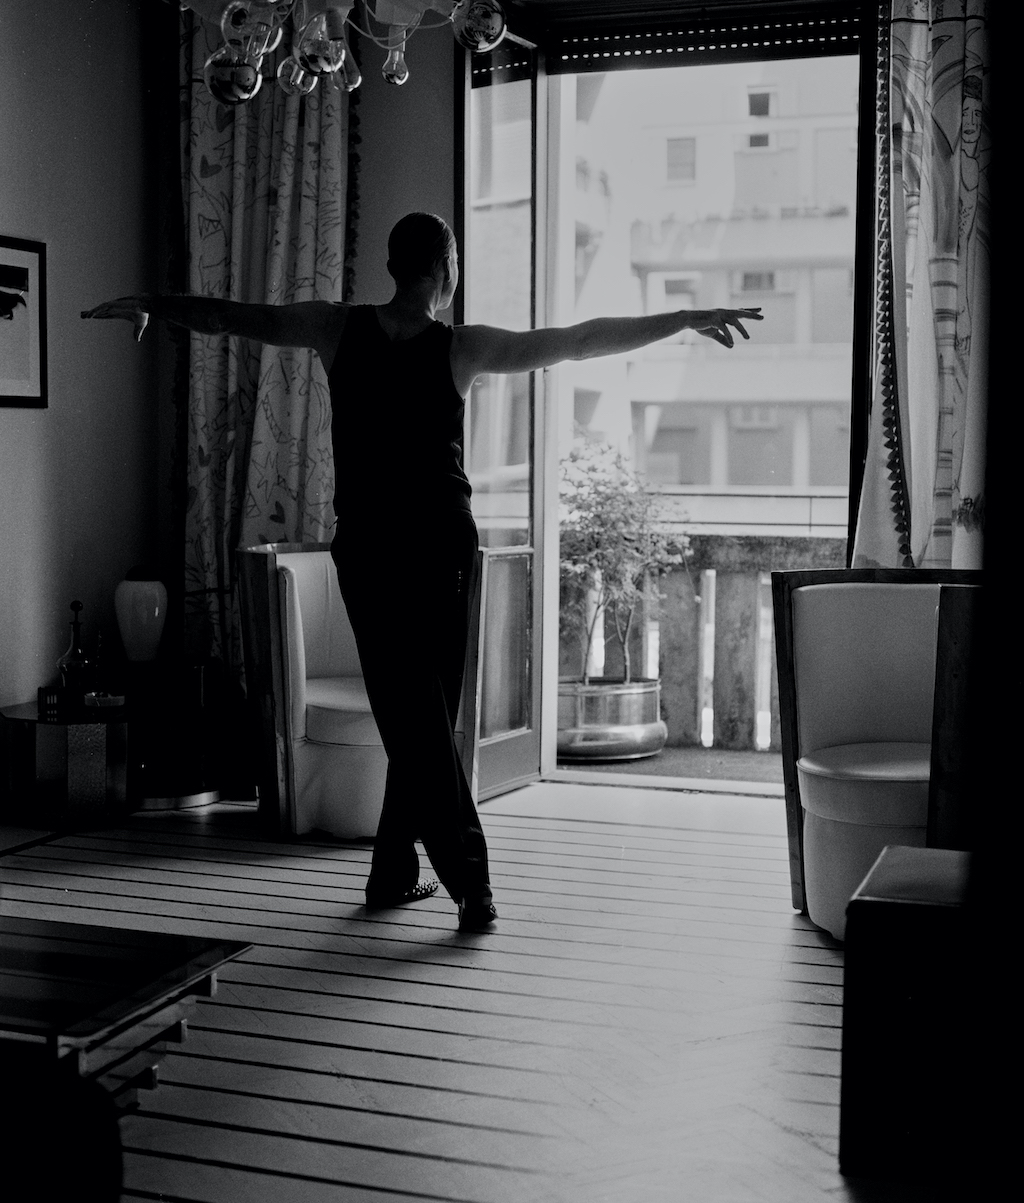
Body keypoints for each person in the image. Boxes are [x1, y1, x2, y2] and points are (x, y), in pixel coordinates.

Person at [83, 212, 761, 932]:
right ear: (446, 269)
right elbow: (579, 340)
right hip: (437, 545)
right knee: (424, 717)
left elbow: (233, 316)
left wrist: (156, 303)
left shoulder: (335, 327)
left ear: (394, 265)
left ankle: (392, 871)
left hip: (372, 549)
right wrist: (683, 318)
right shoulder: (460, 346)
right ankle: (471, 881)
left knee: (416, 714)